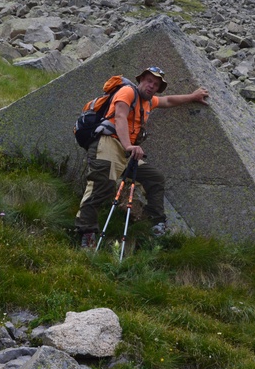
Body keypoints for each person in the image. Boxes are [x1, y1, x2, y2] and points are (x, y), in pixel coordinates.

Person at [76, 66, 209, 248]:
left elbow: (168, 100)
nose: (151, 86)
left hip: (127, 151)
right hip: (109, 143)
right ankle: (87, 232)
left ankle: (156, 224)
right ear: (141, 80)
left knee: (154, 179)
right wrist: (129, 146)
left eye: (155, 84)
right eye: (149, 81)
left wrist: (193, 96)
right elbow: (121, 117)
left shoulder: (148, 102)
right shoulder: (126, 92)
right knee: (102, 185)